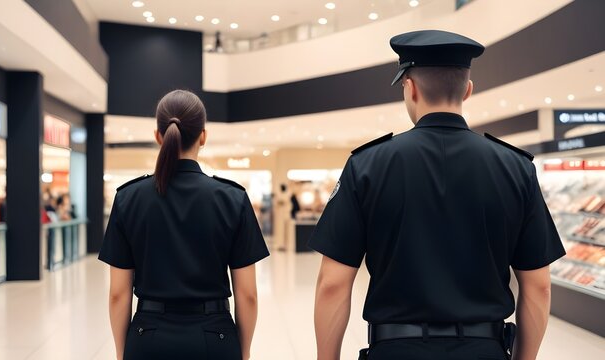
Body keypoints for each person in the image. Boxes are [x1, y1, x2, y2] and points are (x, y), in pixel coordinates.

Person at [309, 30, 565, 360]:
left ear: (410, 88)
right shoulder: (516, 168)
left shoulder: (367, 165)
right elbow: (538, 286)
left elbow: (332, 283)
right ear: (468, 90)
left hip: (395, 351)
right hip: (483, 350)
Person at [98, 90, 269, 360]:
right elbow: (247, 294)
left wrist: (123, 352)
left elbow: (119, 294)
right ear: (203, 136)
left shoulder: (128, 198)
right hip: (215, 339)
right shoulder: (232, 198)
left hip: (147, 338)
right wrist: (243, 352)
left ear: (158, 136)